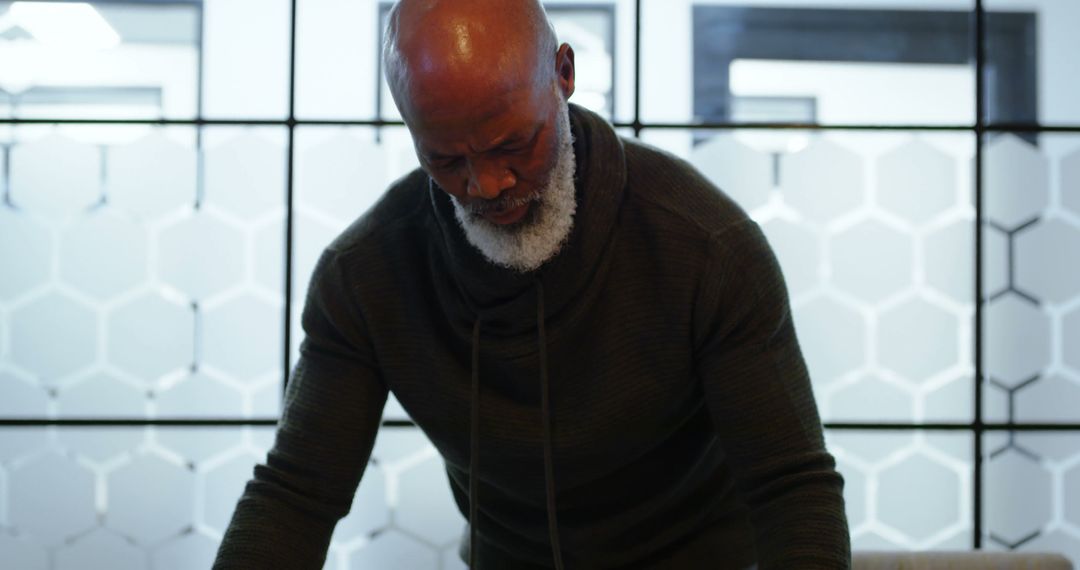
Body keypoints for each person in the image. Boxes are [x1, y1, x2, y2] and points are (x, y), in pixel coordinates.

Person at [213, 0, 851, 568]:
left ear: (564, 74)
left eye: (514, 144)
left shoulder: (707, 248)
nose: (487, 185)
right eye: (446, 159)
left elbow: (791, 490)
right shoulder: (367, 274)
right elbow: (297, 494)